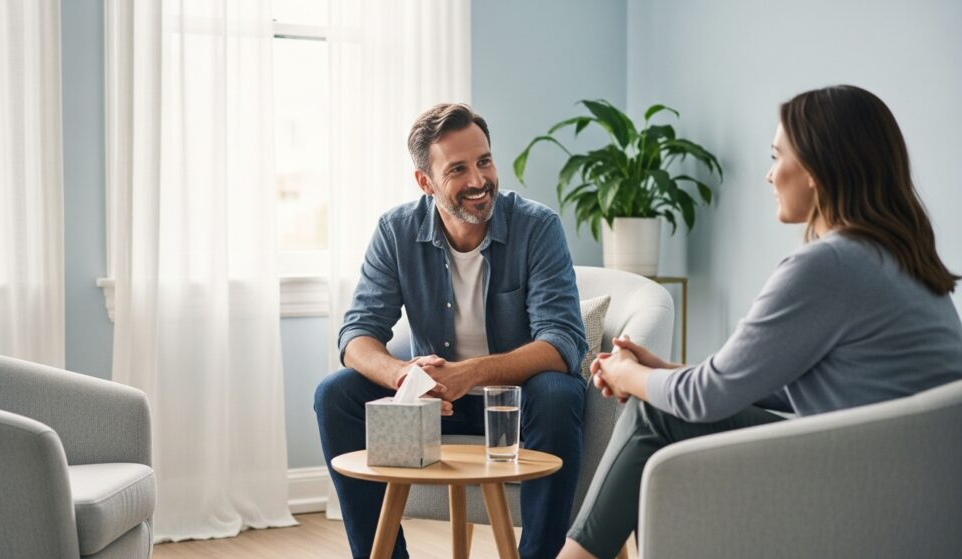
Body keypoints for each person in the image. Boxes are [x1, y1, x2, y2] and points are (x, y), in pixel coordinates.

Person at [559, 85, 962, 559]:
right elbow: (795, 381)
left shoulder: (827, 266)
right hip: (914, 487)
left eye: (777, 156)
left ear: (814, 170)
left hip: (861, 491)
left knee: (658, 411)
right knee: (665, 406)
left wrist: (632, 375)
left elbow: (706, 397)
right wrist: (665, 372)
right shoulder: (901, 257)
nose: (770, 175)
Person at [315, 103, 589, 559]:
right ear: (425, 182)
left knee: (559, 392)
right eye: (458, 169)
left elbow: (562, 342)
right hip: (434, 405)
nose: (479, 181)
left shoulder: (537, 227)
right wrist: (403, 375)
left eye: (484, 161)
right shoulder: (396, 231)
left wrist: (471, 374)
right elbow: (357, 334)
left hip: (517, 403)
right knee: (335, 395)